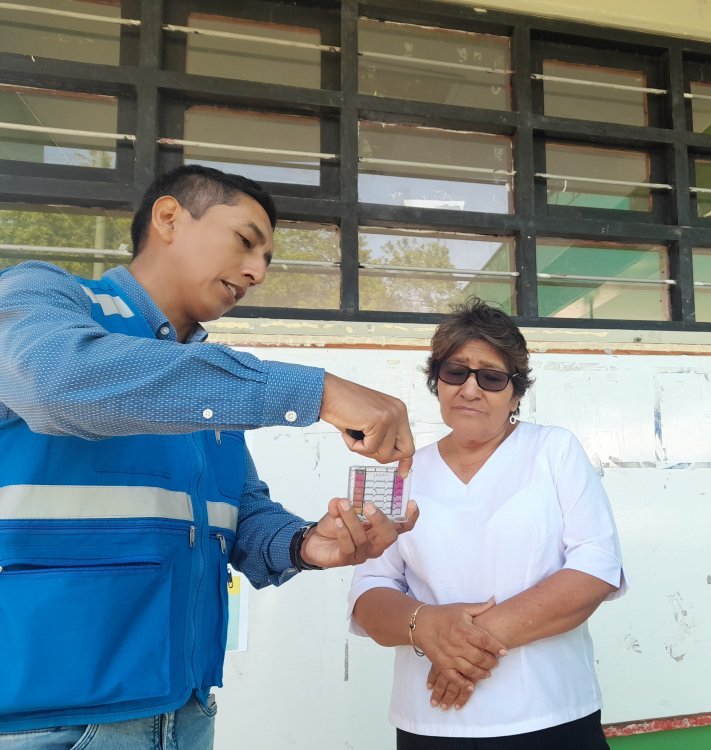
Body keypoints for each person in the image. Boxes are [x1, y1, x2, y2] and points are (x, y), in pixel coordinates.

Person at [0, 165, 418, 747]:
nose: (256, 272)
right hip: (48, 722)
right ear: (169, 217)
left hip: (187, 714)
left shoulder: (208, 384)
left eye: (267, 260)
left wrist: (306, 544)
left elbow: (242, 515)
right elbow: (54, 382)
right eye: (246, 242)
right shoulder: (43, 297)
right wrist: (316, 389)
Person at [348, 298, 627, 749]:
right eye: (455, 372)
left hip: (550, 713)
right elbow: (367, 594)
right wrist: (426, 625)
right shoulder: (399, 471)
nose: (470, 389)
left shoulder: (553, 450)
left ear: (516, 392)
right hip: (431, 722)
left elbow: (596, 568)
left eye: (492, 377)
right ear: (436, 381)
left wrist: (461, 647)